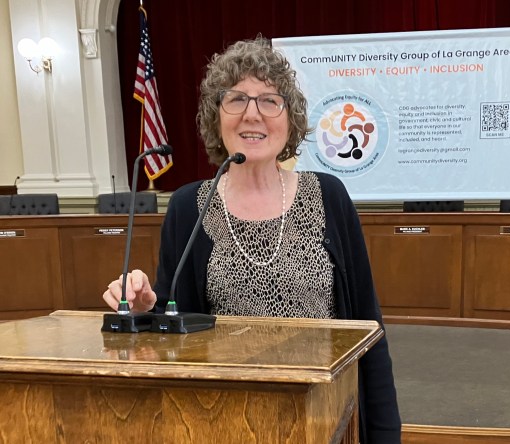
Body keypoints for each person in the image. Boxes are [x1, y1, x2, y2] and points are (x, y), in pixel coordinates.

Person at [103, 36, 401, 443]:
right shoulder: (190, 206)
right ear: (216, 116)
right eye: (237, 99)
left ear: (290, 118)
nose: (252, 114)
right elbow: (176, 346)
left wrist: (385, 435)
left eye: (269, 100)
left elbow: (370, 331)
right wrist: (146, 312)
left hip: (328, 418)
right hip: (227, 422)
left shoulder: (329, 196)